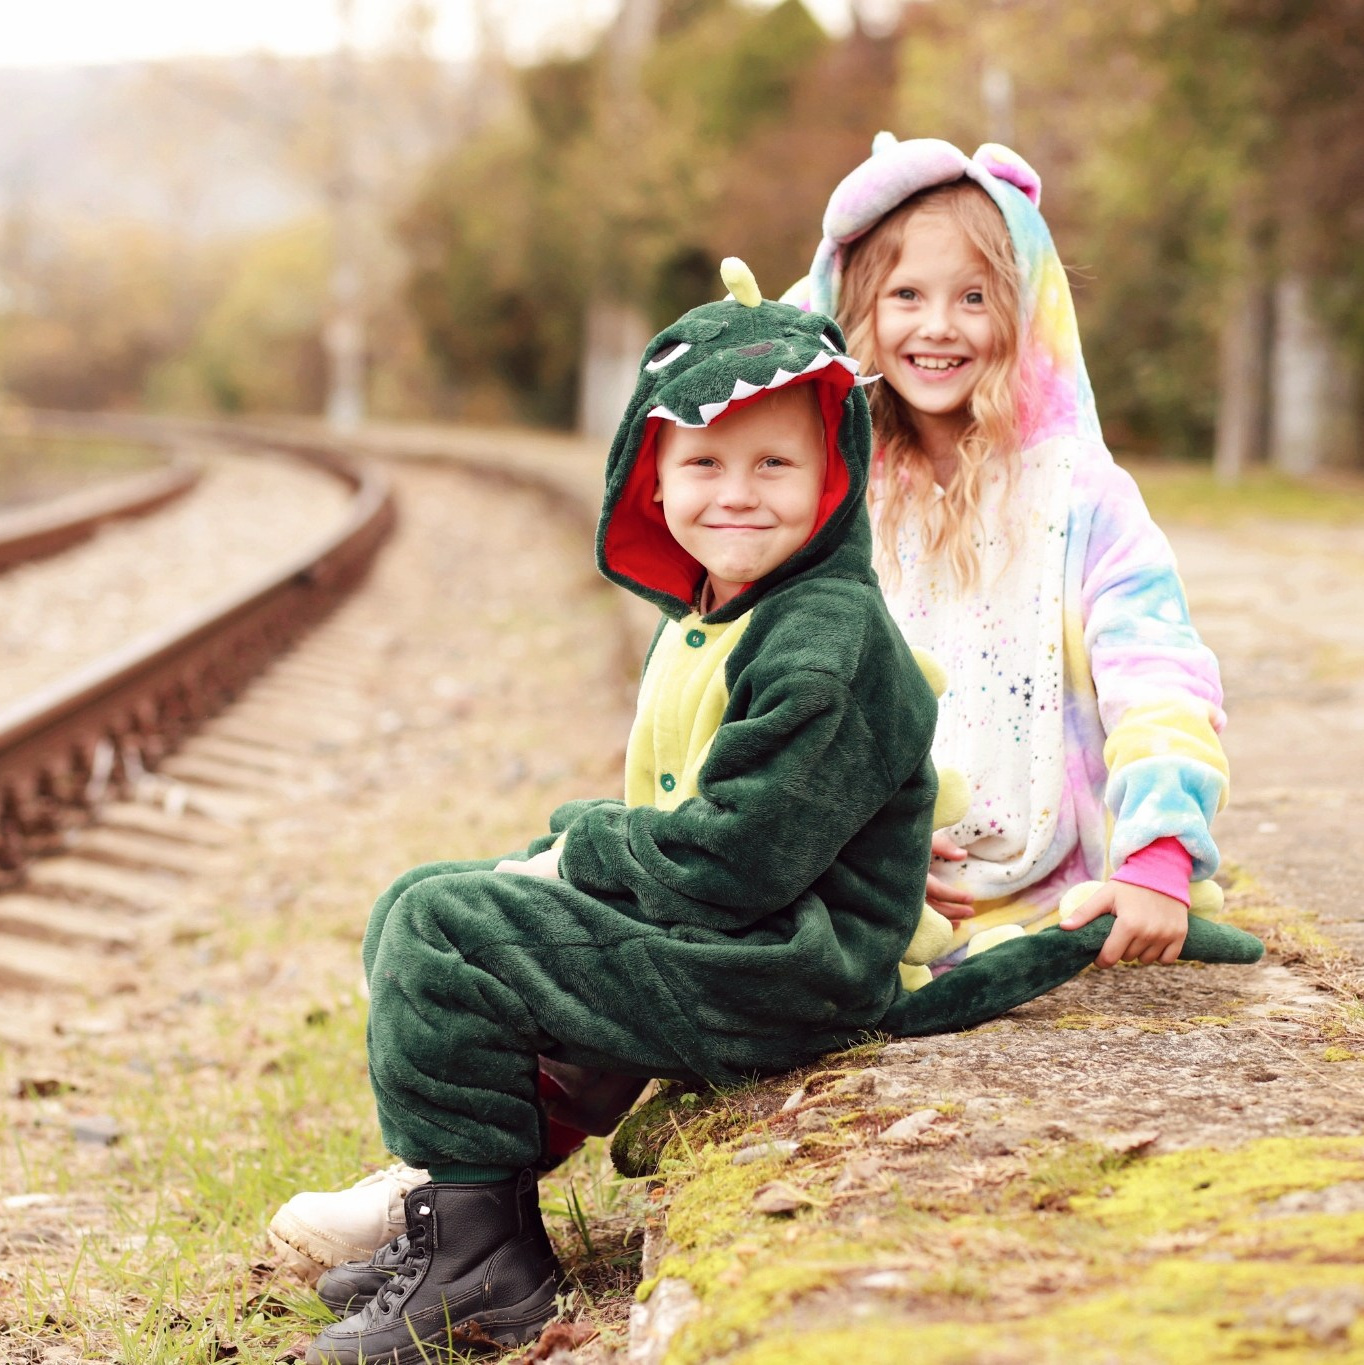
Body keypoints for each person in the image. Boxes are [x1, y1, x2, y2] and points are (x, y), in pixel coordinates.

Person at [294, 262, 1261, 1364]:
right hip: (740, 936)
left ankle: (483, 1272)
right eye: (701, 463)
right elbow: (690, 813)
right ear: (650, 483)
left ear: (830, 480)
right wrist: (568, 846)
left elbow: (739, 858)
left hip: (793, 968)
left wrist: (582, 852)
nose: (735, 492)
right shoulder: (722, 611)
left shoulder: (824, 636)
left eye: (773, 465)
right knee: (420, 900)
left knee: (444, 931)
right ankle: (469, 1214)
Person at [783, 134, 1234, 971]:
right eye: (906, 294)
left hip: (1052, 900)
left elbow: (1161, 676)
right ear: (859, 309)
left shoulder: (1084, 498)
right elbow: (787, 705)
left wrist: (1158, 856)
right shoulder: (836, 500)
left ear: (1025, 310)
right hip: (873, 891)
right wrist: (854, 866)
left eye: (974, 297)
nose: (938, 327)